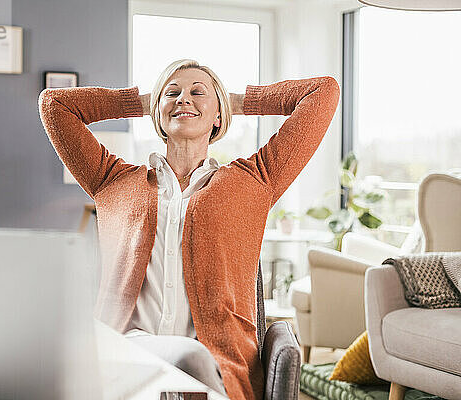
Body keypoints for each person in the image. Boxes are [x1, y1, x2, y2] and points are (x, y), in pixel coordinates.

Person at [38, 59, 340, 400]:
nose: (184, 98)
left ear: (219, 117)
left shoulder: (254, 181)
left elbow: (323, 92)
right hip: (128, 356)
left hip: (213, 365)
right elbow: (54, 104)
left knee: (192, 358)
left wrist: (235, 102)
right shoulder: (113, 181)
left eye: (198, 92)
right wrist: (146, 103)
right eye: (173, 93)